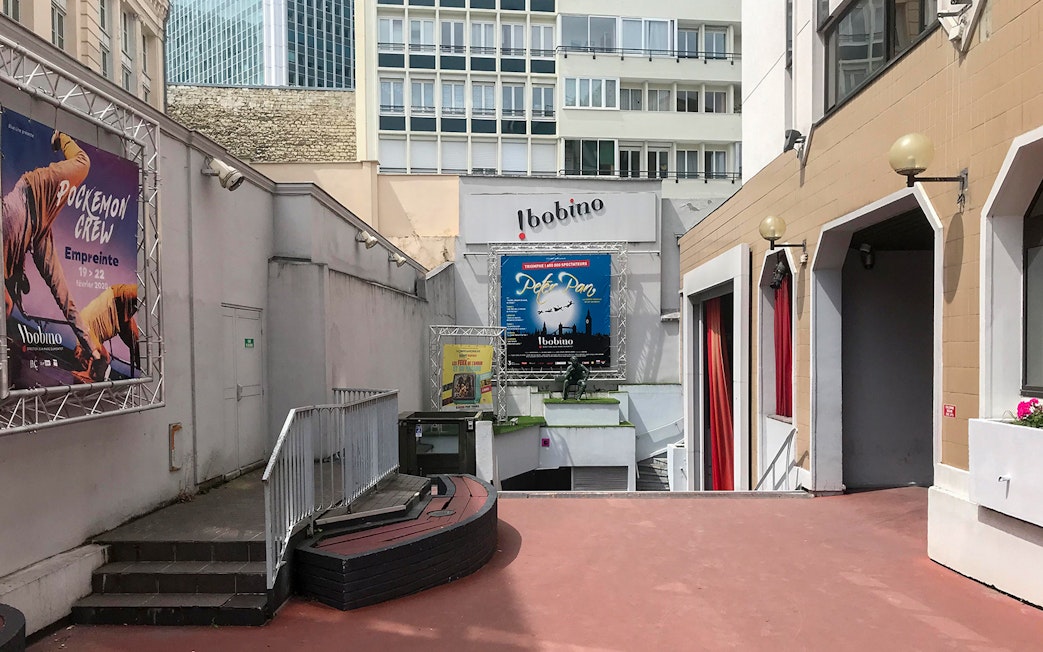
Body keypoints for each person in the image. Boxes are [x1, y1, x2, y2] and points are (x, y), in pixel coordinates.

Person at [2, 130, 92, 365]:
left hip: (32, 190)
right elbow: (63, 295)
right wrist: (89, 345)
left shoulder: (9, 245)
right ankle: (90, 347)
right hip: (36, 225)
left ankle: (62, 136)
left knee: (82, 163)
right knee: (59, 291)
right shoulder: (34, 245)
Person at [73, 284, 140, 382]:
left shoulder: (83, 337)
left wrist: (88, 372)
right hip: (119, 322)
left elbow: (105, 356)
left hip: (116, 299)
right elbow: (105, 357)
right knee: (139, 350)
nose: (84, 363)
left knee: (145, 291)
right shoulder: (86, 342)